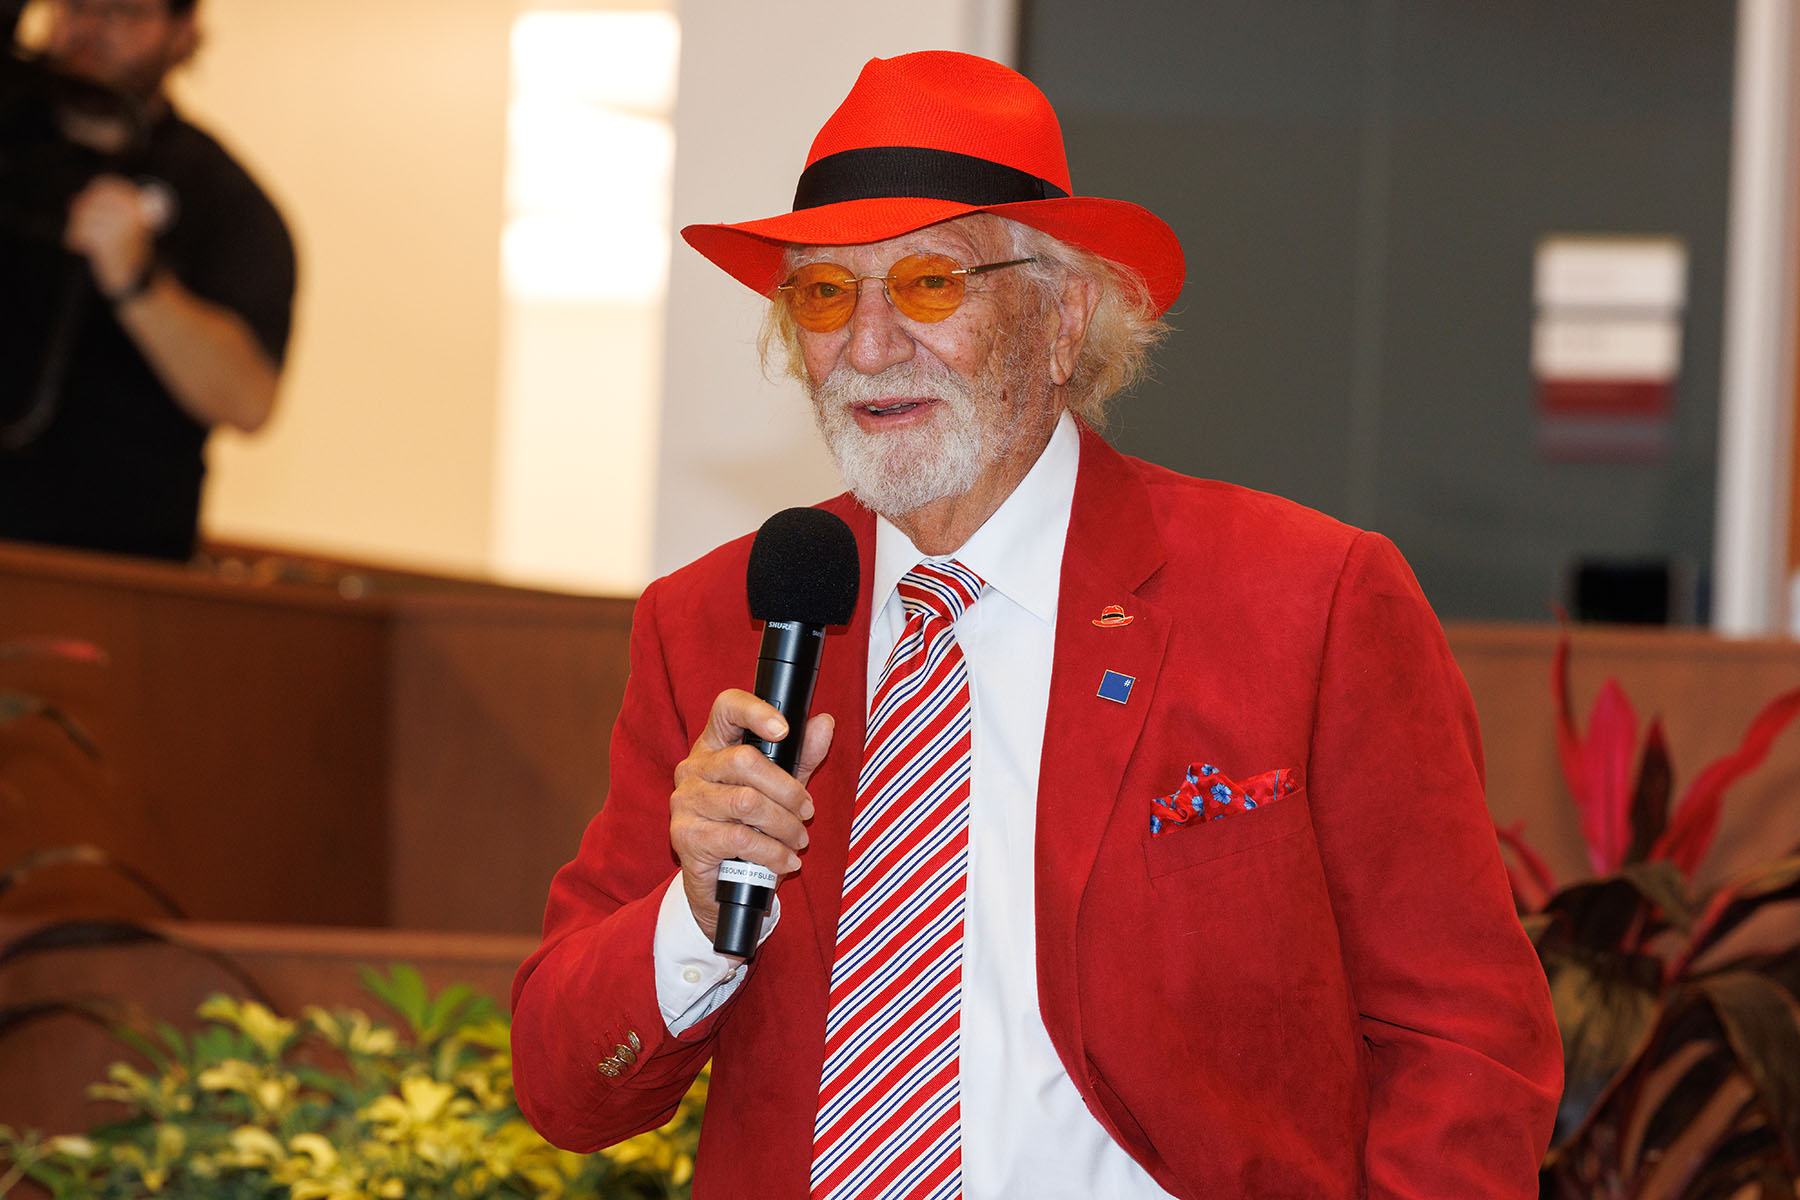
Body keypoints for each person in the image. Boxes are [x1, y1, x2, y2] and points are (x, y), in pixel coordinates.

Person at [512, 50, 1561, 1200]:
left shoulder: (1307, 598)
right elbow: (565, 1085)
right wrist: (696, 910)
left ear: (1064, 318)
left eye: (927, 284)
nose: (869, 344)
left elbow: (1466, 1042)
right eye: (824, 294)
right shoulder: (716, 623)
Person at [0, 0, 295, 561]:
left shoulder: (222, 198)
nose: (91, 28)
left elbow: (248, 401)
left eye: (125, 11)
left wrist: (137, 282)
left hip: (111, 561)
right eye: (74, 6)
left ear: (184, 34)